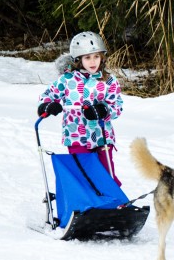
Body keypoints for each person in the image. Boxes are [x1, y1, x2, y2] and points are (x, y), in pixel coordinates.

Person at [37, 31, 124, 185]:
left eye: (96, 56)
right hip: (76, 135)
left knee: (105, 172)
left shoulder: (109, 81)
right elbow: (48, 95)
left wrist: (104, 110)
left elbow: (116, 105)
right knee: (83, 171)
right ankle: (86, 204)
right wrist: (48, 105)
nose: (93, 62)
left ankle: (113, 201)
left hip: (102, 135)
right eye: (87, 57)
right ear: (78, 59)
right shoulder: (67, 80)